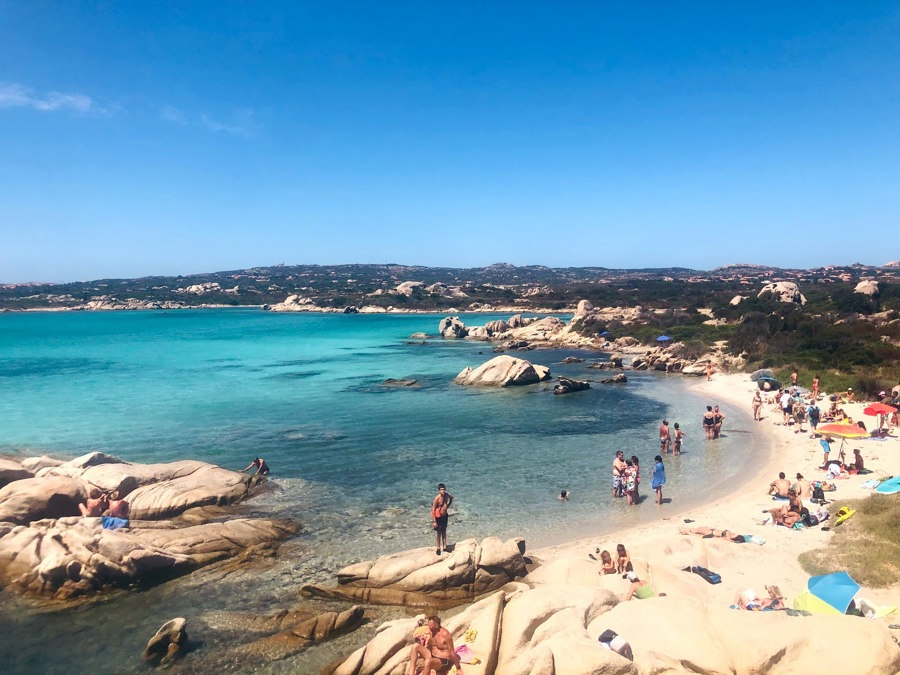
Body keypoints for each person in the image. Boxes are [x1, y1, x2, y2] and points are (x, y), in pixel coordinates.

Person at [432, 483, 454, 555]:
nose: (443, 491)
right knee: (439, 533)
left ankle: (444, 546)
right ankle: (438, 548)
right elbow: (433, 510)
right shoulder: (437, 498)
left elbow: (452, 498)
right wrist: (434, 521)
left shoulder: (447, 495)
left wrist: (448, 505)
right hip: (439, 517)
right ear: (439, 490)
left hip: (445, 516)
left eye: (444, 489)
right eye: (441, 489)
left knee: (444, 531)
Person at [679, 525, 747, 543]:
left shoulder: (729, 537)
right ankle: (685, 531)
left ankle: (685, 531)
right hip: (711, 531)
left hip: (710, 533)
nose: (737, 534)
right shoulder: (731, 534)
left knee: (695, 531)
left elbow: (722, 539)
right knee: (696, 530)